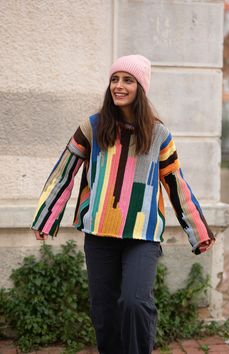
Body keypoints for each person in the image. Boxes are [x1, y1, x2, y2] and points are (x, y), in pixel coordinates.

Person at [32, 54, 215, 354]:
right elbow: (65, 171)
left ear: (140, 87)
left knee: (134, 301)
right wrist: (46, 217)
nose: (119, 86)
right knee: (103, 312)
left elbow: (176, 183)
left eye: (127, 80)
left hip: (141, 235)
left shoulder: (159, 135)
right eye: (115, 79)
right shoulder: (93, 126)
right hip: (99, 233)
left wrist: (198, 230)